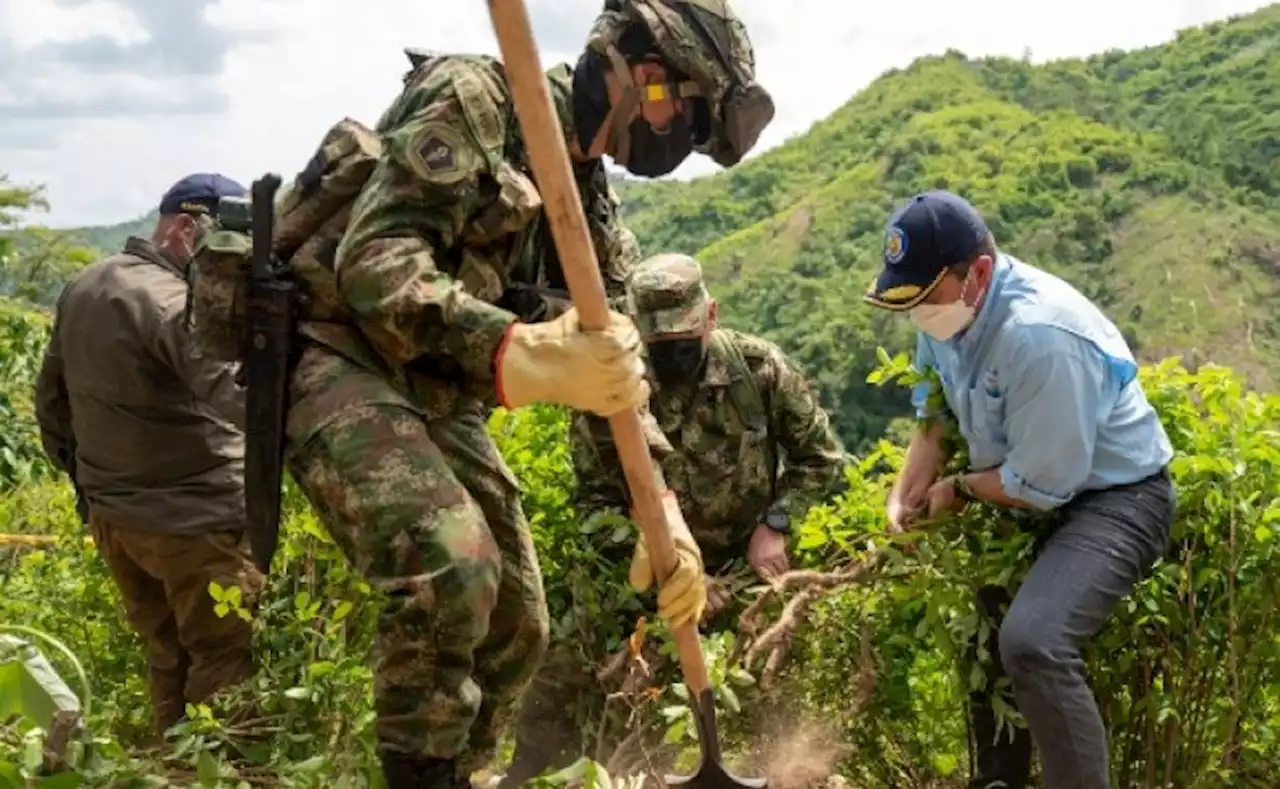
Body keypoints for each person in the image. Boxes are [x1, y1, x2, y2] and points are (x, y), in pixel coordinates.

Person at [187, 3, 773, 786]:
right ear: (638, 67)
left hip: (436, 391)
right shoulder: (474, 100)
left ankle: (459, 772)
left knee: (517, 620)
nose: (674, 136)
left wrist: (660, 507)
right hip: (337, 355)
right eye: (680, 110)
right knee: (450, 565)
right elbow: (376, 263)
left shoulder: (589, 206)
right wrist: (514, 350)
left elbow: (614, 370)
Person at [862, 190, 1177, 789]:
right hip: (1020, 487)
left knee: (1034, 641)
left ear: (978, 272)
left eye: (929, 299)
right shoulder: (948, 310)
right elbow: (933, 411)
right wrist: (905, 492)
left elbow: (1042, 484)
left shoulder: (1038, 337)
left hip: (1114, 499)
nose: (921, 314)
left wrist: (956, 487)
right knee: (985, 640)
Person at [499, 252, 846, 785]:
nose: (674, 357)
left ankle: (785, 771)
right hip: (646, 575)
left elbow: (819, 459)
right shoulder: (608, 394)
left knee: (776, 670)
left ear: (710, 315)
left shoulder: (760, 371)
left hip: (746, 572)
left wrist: (775, 525)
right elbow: (596, 505)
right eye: (659, 345)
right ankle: (532, 775)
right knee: (565, 664)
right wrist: (669, 569)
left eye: (684, 342)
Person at [34, 173, 262, 736]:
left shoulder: (85, 284)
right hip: (196, 523)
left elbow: (51, 405)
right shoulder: (174, 304)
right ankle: (221, 773)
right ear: (187, 230)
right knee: (222, 658)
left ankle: (168, 764)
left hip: (117, 520)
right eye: (227, 244)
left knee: (166, 653)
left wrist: (95, 488)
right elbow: (241, 399)